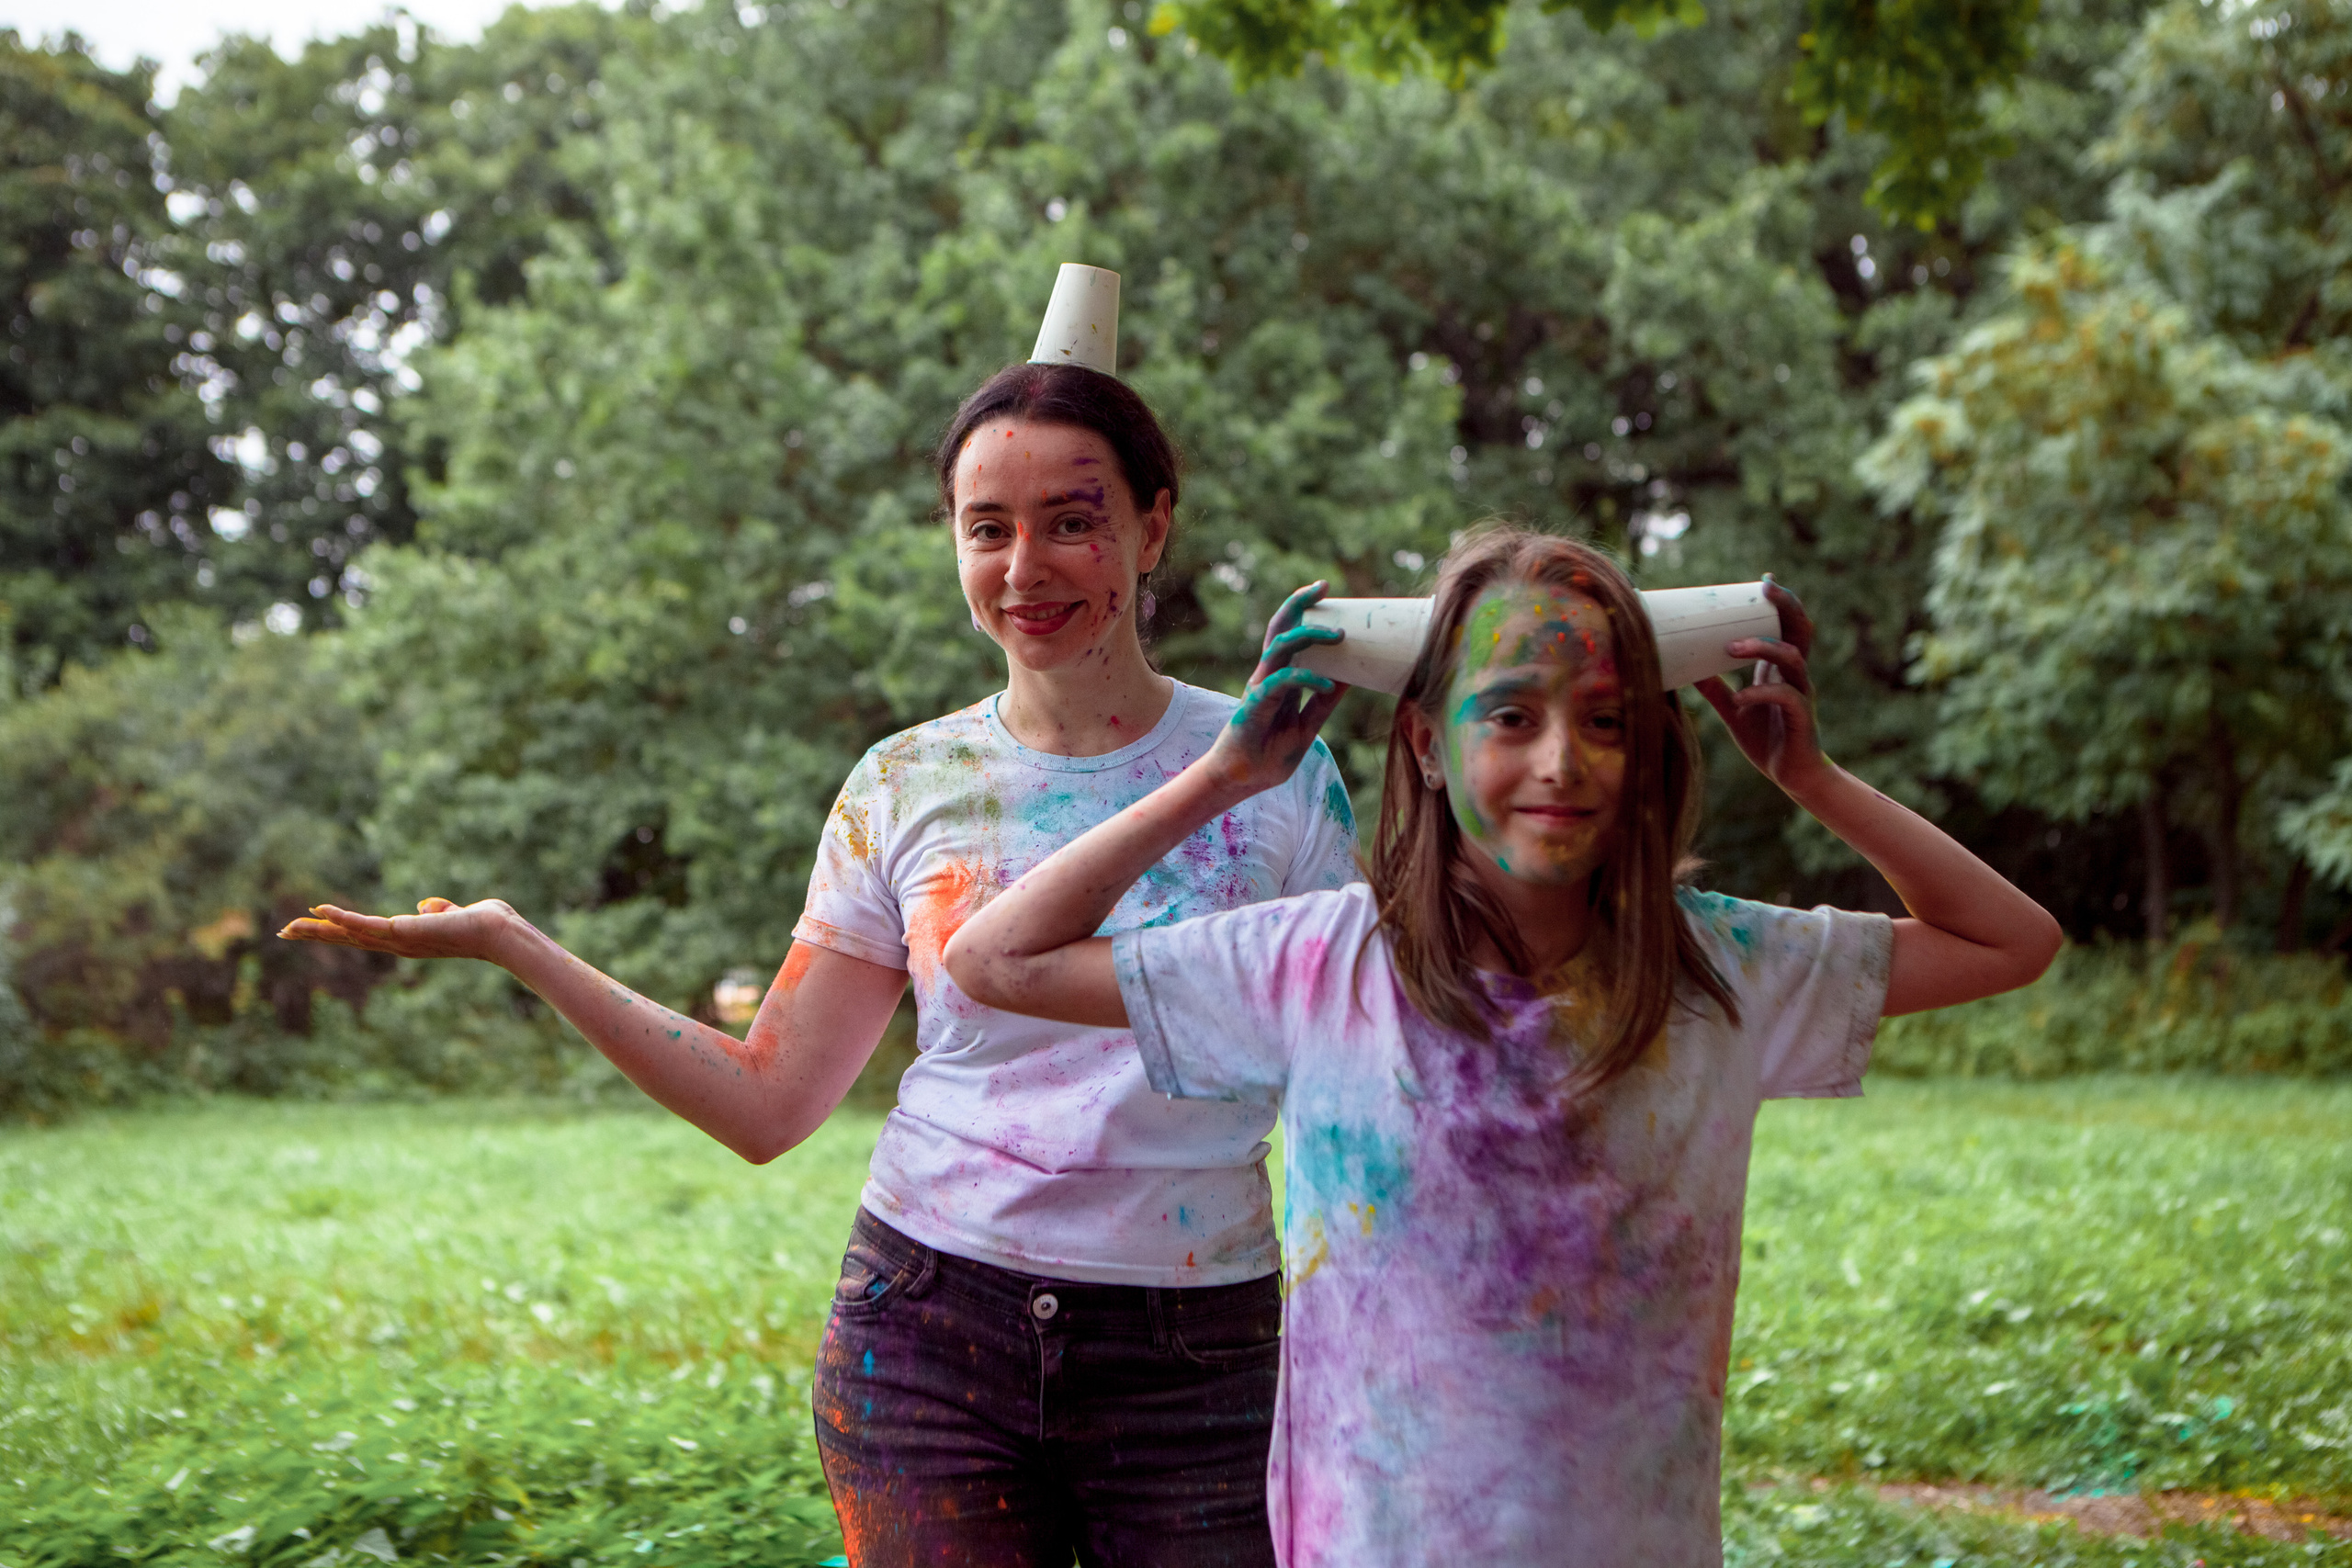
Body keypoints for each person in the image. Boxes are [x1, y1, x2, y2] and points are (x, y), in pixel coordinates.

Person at [280, 296, 1360, 1567]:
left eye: (1073, 520)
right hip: (927, 1331)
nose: (1027, 569)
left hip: (1201, 1351)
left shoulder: (1278, 772)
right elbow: (769, 1099)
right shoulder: (904, 784)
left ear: (1151, 523)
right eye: (987, 528)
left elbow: (1344, 1080)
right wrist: (516, 941)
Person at [943, 527, 2064, 1568]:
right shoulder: (1318, 964)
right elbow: (996, 961)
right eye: (1512, 716)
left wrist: (1810, 779)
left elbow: (2010, 940)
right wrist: (1230, 775)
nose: (1563, 761)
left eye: (1607, 720)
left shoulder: (1723, 971)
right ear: (1426, 744)